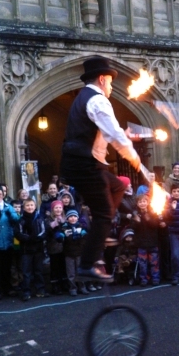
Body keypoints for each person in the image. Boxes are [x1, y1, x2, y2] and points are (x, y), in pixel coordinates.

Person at [60, 56, 141, 281]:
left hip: (84, 162)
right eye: (111, 82)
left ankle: (101, 231)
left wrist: (124, 136)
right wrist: (133, 156)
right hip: (83, 164)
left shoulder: (86, 99)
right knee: (104, 213)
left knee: (119, 185)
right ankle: (87, 265)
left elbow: (108, 133)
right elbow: (113, 134)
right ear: (103, 79)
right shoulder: (98, 100)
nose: (112, 87)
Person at [14, 198, 48, 301]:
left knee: (38, 270)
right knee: (26, 272)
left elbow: (44, 231)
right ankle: (26, 291)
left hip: (38, 248)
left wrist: (38, 238)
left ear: (35, 206)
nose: (30, 207)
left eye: (32, 205)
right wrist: (28, 238)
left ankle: (40, 289)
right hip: (26, 249)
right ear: (24, 208)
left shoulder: (39, 218)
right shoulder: (21, 220)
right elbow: (18, 233)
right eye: (27, 205)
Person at [131, 194, 165, 286]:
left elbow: (155, 225)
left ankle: (155, 278)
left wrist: (149, 219)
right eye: (140, 202)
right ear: (137, 204)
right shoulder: (136, 214)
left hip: (153, 242)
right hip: (141, 243)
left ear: (148, 202)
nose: (142, 204)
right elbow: (133, 227)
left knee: (154, 262)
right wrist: (137, 221)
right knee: (142, 263)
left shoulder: (153, 212)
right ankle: (144, 279)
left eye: (144, 201)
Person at [57, 209, 88, 296]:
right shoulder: (64, 228)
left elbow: (85, 238)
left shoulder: (81, 227)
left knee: (80, 271)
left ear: (77, 218)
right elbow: (60, 237)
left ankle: (82, 287)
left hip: (79, 252)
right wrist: (59, 237)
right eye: (70, 216)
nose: (73, 218)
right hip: (69, 253)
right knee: (71, 273)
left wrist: (82, 239)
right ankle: (73, 288)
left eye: (74, 216)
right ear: (67, 218)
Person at [45, 200, 66, 294]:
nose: (58, 209)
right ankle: (55, 286)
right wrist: (53, 225)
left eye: (60, 207)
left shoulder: (65, 218)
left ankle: (64, 284)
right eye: (56, 208)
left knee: (63, 267)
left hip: (65, 247)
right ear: (53, 209)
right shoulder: (48, 219)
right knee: (55, 267)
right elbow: (47, 232)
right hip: (53, 247)